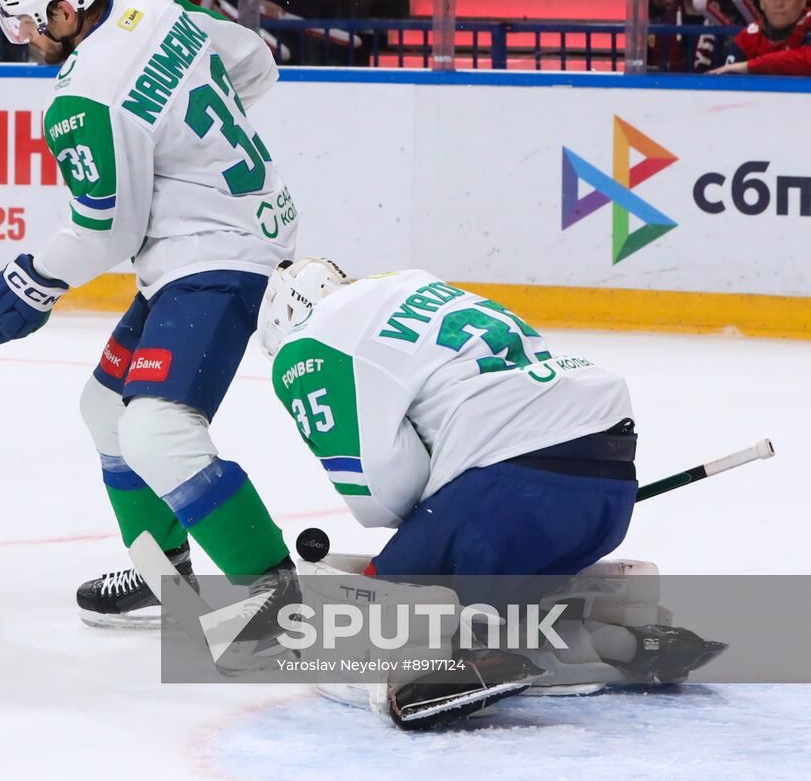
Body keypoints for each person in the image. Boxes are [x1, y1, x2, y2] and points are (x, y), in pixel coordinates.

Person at [0, 0, 299, 627]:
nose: (24, 37)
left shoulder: (81, 95)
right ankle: (166, 575)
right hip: (225, 235)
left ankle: (276, 597)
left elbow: (107, 227)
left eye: (29, 21)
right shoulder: (154, 1)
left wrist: (30, 279)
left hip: (217, 254)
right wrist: (193, 151)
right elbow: (257, 63)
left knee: (155, 430)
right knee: (106, 409)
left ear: (64, 12)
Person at [257, 259, 727, 728]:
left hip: (513, 494)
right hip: (607, 491)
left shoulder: (308, 346)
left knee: (392, 594)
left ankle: (458, 660)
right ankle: (622, 642)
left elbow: (380, 495)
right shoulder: (411, 287)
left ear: (281, 319)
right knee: (498, 594)